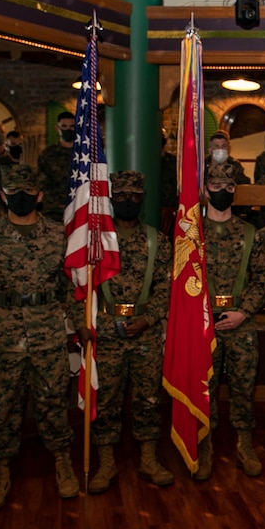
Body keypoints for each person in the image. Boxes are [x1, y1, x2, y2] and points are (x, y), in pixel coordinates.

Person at [0, 164, 78, 511]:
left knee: (54, 400)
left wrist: (82, 325)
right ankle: (1, 470)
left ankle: (63, 462)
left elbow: (70, 288)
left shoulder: (58, 236)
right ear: (3, 195)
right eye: (13, 192)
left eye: (27, 192)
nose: (20, 197)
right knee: (2, 405)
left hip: (48, 332)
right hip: (3, 335)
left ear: (39, 196)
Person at [78, 171, 174, 493]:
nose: (128, 201)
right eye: (120, 196)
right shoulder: (96, 241)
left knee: (148, 398)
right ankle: (106, 463)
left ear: (142, 198)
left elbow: (165, 287)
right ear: (110, 199)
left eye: (134, 195)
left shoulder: (157, 240)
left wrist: (150, 319)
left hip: (145, 330)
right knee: (106, 400)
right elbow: (79, 287)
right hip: (106, 331)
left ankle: (148, 459)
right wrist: (82, 322)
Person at [201, 162, 265, 478]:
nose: (222, 192)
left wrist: (244, 312)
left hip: (241, 323)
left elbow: (261, 280)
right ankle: (204, 446)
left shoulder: (250, 234)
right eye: (216, 187)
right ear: (205, 190)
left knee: (244, 387)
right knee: (205, 388)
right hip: (203, 325)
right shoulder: (192, 234)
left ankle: (244, 445)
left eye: (229, 187)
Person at [36, 111, 77, 223]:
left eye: (72, 126)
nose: (68, 130)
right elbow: (42, 184)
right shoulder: (48, 154)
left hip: (80, 210)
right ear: (57, 128)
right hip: (54, 212)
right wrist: (57, 203)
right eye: (64, 126)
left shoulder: (85, 155)